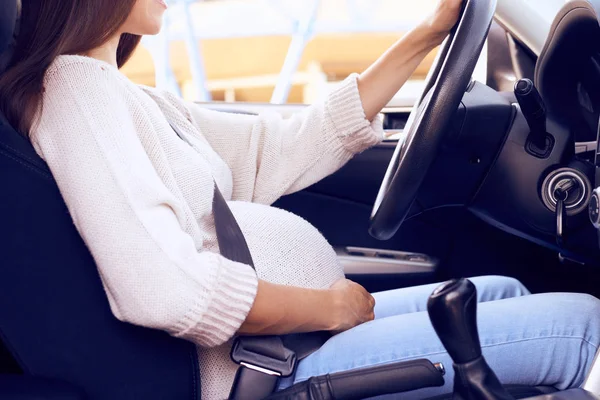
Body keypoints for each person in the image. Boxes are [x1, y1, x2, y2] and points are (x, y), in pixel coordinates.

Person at [1, 0, 599, 399]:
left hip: (282, 343)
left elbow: (277, 149)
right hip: (260, 366)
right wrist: (327, 310)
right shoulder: (77, 91)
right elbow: (162, 289)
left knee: (507, 290)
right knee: (584, 327)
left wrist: (427, 35)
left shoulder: (131, 99)